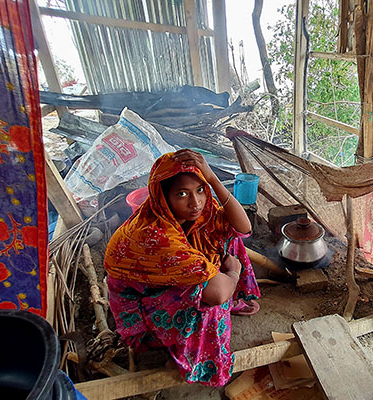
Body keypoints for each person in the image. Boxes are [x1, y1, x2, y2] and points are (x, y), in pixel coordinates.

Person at [104, 149, 260, 387]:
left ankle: (230, 295)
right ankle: (186, 357)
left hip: (166, 287)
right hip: (140, 317)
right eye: (182, 194)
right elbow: (215, 293)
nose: (195, 202)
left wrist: (213, 178)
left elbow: (243, 226)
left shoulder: (190, 216)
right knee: (208, 303)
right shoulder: (156, 236)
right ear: (163, 197)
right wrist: (233, 272)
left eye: (200, 190)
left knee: (228, 236)